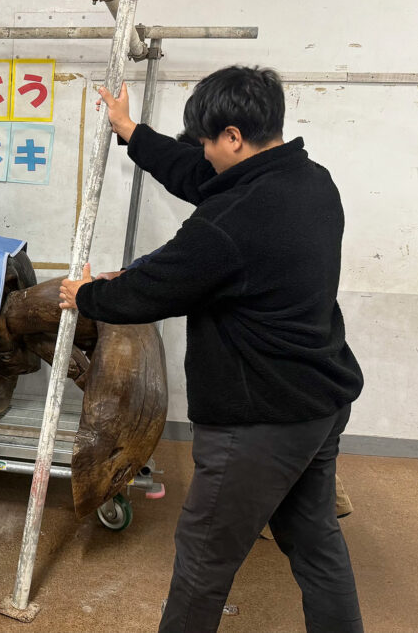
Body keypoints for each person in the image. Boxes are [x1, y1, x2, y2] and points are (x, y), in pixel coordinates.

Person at [59, 66, 365, 632]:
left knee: (204, 559)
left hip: (260, 419)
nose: (201, 153)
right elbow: (198, 176)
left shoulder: (234, 218)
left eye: (207, 140)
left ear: (232, 137)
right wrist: (130, 130)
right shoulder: (310, 179)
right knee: (316, 541)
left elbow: (156, 288)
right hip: (318, 402)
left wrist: (89, 294)